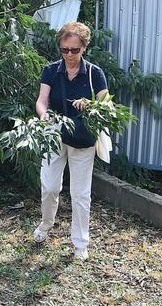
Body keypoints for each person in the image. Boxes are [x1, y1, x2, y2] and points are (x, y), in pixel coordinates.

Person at [33, 20, 108, 261]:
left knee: (80, 193)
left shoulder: (95, 74)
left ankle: (80, 244)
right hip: (54, 134)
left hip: (83, 139)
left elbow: (108, 108)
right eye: (65, 50)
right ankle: (46, 225)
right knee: (50, 187)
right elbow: (42, 100)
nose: (69, 55)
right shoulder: (50, 70)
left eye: (74, 50)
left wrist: (91, 105)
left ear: (84, 47)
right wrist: (43, 115)